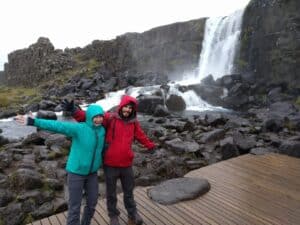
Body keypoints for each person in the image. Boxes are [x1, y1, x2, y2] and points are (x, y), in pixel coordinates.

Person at [67, 95, 156, 225]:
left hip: (126, 164)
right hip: (110, 164)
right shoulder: (110, 118)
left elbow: (141, 136)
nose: (127, 110)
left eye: (130, 108)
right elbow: (90, 117)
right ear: (121, 106)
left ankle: (132, 214)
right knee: (111, 193)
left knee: (129, 192)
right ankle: (113, 215)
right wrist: (74, 111)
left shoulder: (134, 123)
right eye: (125, 106)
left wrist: (150, 146)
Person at [15, 104, 106, 225]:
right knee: (75, 206)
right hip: (76, 173)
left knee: (92, 203)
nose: (99, 119)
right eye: (96, 116)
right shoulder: (79, 128)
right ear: (89, 116)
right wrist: (33, 121)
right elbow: (58, 125)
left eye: (101, 116)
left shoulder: (102, 131)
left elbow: (102, 149)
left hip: (92, 174)